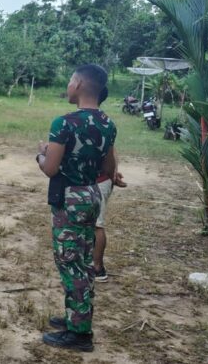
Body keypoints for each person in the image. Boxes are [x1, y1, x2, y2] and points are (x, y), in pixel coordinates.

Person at [36, 64, 117, 352]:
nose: (68, 85)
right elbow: (109, 167)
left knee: (70, 263)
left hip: (69, 200)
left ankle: (80, 334)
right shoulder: (108, 123)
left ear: (80, 83)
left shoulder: (64, 123)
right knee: (82, 260)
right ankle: (76, 317)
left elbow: (51, 169)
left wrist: (41, 154)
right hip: (92, 195)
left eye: (71, 80)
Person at [92, 88, 126, 282]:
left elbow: (111, 153)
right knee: (93, 224)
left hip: (99, 181)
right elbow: (112, 152)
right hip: (100, 180)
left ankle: (97, 268)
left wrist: (111, 173)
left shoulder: (99, 122)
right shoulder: (104, 121)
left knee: (97, 224)